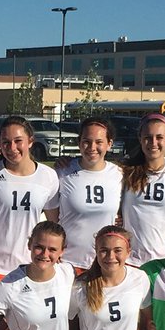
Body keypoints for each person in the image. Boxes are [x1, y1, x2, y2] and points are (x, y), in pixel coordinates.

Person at [0, 117, 59, 282]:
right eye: (6, 142)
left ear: (30, 141)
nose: (12, 148)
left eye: (18, 141)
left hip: (28, 265)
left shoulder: (48, 176)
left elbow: (55, 223)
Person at [46, 117, 123, 273]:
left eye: (99, 142)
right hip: (67, 263)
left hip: (104, 263)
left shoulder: (119, 175)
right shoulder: (62, 172)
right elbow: (52, 220)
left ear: (109, 144)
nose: (92, 147)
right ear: (79, 142)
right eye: (86, 141)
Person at [120, 113, 165, 266]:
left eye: (159, 137)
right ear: (140, 139)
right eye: (148, 137)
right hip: (131, 260)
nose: (153, 142)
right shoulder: (127, 170)